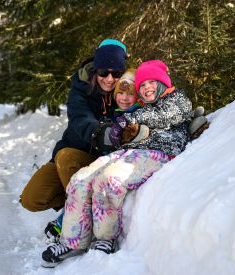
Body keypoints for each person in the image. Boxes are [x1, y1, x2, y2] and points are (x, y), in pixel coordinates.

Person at [41, 60, 192, 268]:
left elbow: (164, 115)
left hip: (158, 153)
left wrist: (131, 119)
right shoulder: (143, 107)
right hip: (130, 151)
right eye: (143, 85)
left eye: (152, 82)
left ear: (164, 83)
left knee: (109, 179)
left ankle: (104, 238)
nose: (147, 87)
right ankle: (71, 240)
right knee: (80, 179)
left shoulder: (177, 99)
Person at [19, 39, 128, 233]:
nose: (109, 79)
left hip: (102, 160)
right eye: (104, 72)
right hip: (73, 155)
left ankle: (78, 216)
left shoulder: (127, 90)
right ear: (96, 70)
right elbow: (80, 119)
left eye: (116, 73)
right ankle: (76, 202)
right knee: (31, 199)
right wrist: (102, 132)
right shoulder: (80, 88)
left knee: (66, 157)